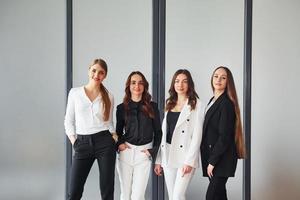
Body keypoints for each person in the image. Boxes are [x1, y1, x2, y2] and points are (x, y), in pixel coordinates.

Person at [64, 58, 116, 200]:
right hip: (82, 143)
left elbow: (110, 123)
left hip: (105, 143)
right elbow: (68, 121)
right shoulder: (75, 93)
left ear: (104, 76)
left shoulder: (109, 96)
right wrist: (74, 141)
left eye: (101, 72)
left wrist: (115, 138)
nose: (96, 75)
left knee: (107, 191)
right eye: (94, 70)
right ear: (89, 71)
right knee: (74, 191)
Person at [154, 69, 204, 200]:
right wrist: (159, 160)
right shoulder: (169, 103)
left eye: (184, 81)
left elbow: (197, 135)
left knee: (177, 196)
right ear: (173, 84)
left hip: (185, 156)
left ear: (189, 84)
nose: (180, 85)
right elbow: (164, 134)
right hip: (168, 155)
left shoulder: (196, 104)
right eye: (177, 81)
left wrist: (190, 161)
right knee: (172, 196)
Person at [200, 66, 246, 200]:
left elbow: (224, 136)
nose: (218, 79)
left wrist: (212, 162)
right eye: (216, 76)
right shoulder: (212, 101)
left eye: (223, 77)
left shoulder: (226, 104)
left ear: (228, 82)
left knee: (212, 196)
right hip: (214, 158)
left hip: (222, 160)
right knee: (219, 196)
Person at [116, 71, 162, 200]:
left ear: (145, 86)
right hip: (126, 152)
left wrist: (152, 151)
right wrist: (120, 144)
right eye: (133, 83)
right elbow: (118, 131)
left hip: (143, 153)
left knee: (138, 196)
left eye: (140, 83)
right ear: (128, 86)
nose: (137, 86)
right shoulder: (121, 108)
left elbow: (158, 133)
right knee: (125, 194)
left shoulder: (152, 106)